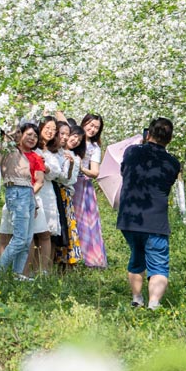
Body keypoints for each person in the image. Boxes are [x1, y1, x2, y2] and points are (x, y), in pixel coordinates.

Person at [117, 117, 181, 310]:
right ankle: (154, 304)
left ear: (148, 134)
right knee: (159, 264)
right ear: (169, 139)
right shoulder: (172, 162)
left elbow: (124, 171)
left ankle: (137, 299)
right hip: (155, 219)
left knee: (137, 257)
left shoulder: (131, 152)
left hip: (129, 218)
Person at [0, 123, 44, 284]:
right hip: (17, 192)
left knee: (26, 239)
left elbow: (30, 182)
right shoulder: (7, 149)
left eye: (20, 131)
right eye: (17, 132)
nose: (19, 134)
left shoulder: (20, 153)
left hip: (27, 193)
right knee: (19, 238)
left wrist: (34, 204)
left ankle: (17, 273)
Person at [73, 113, 107, 268]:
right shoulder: (74, 138)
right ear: (84, 122)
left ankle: (89, 258)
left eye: (96, 128)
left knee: (85, 222)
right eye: (91, 125)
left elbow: (95, 172)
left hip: (82, 186)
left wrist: (81, 168)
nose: (92, 129)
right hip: (67, 183)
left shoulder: (94, 148)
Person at [30, 117, 63, 276]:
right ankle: (32, 268)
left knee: (47, 232)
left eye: (53, 129)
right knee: (33, 232)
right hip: (33, 190)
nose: (50, 131)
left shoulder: (54, 151)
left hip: (48, 192)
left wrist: (47, 167)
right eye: (47, 128)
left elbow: (57, 173)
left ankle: (44, 269)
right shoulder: (32, 148)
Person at [54, 122, 83, 266]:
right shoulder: (55, 151)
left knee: (65, 228)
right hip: (54, 191)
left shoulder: (75, 158)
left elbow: (69, 179)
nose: (75, 140)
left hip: (65, 194)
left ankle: (65, 261)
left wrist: (71, 165)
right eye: (74, 136)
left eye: (79, 140)